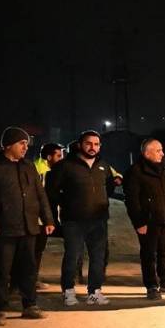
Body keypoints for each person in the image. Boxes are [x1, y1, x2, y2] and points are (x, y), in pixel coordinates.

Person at [0, 127, 55, 326]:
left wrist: (48, 219)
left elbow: (40, 194)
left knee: (28, 269)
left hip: (28, 227)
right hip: (3, 228)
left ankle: (30, 305)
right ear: (8, 145)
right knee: (2, 270)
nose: (25, 147)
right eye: (21, 143)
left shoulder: (28, 166)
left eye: (27, 143)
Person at [45, 130, 113, 306]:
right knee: (72, 257)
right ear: (80, 144)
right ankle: (68, 291)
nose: (93, 147)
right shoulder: (65, 166)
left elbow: (109, 187)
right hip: (73, 221)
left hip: (99, 221)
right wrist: (57, 214)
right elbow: (51, 194)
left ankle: (94, 291)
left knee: (98, 257)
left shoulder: (103, 166)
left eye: (96, 144)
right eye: (89, 143)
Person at [124, 138, 165, 300]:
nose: (162, 153)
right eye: (158, 151)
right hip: (148, 221)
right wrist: (139, 222)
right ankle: (151, 285)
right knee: (149, 254)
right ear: (146, 153)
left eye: (162, 150)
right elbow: (132, 201)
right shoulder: (136, 172)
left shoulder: (163, 169)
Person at [32, 142, 64, 286]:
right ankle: (28, 281)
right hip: (37, 220)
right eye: (59, 156)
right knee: (35, 250)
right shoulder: (42, 173)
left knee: (36, 250)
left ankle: (30, 280)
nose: (61, 159)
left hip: (41, 219)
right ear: (49, 157)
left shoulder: (38, 167)